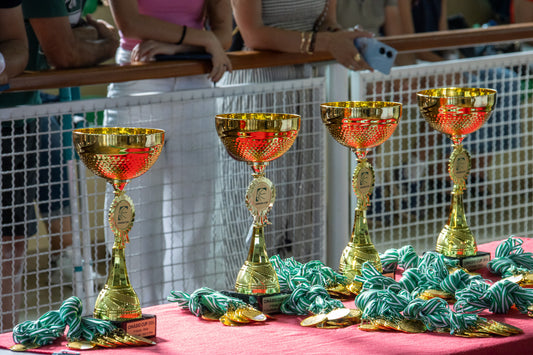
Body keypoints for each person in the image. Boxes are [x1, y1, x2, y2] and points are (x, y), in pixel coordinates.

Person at [104, 0, 233, 305]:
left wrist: (180, 45)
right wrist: (201, 38)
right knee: (131, 213)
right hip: (138, 78)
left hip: (195, 77)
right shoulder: (199, 39)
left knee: (194, 217)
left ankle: (186, 313)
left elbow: (224, 33)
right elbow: (131, 25)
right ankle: (133, 317)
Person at [0, 0, 118, 331]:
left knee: (11, 240)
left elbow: (26, 46)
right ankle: (65, 253)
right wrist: (110, 43)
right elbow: (62, 53)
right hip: (30, 110)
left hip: (23, 114)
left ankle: (5, 336)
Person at [0, 0, 29, 333]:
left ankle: (5, 338)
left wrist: (1, 62)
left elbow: (18, 45)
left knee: (10, 241)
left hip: (10, 125)